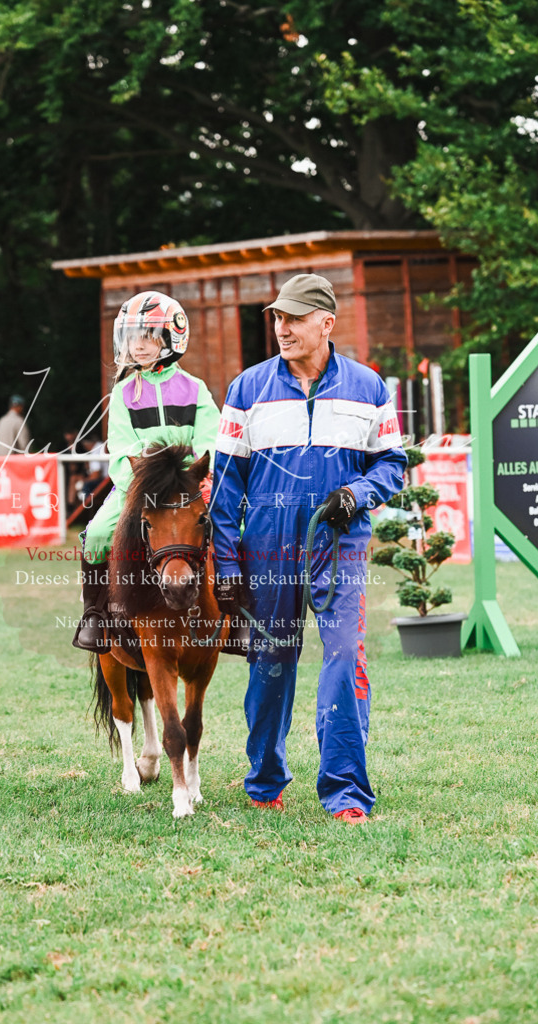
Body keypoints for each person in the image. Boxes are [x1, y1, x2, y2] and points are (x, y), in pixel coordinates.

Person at [210, 274, 407, 823]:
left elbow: (393, 463)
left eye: (295, 318)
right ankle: (265, 780)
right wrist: (225, 562)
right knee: (271, 662)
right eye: (278, 317)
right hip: (266, 546)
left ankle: (345, 791)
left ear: (327, 323)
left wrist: (358, 493)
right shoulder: (246, 389)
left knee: (345, 657)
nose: (283, 328)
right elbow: (224, 485)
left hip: (340, 544)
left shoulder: (369, 387)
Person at [73, 290, 221, 652]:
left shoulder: (195, 390)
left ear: (171, 337)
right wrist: (144, 490)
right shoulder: (123, 394)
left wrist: (193, 480)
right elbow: (121, 452)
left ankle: (239, 610)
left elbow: (210, 444)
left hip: (189, 488)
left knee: (238, 529)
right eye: (131, 338)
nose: (137, 346)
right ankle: (94, 614)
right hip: (137, 490)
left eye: (147, 336)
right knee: (96, 534)